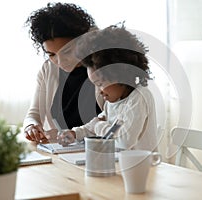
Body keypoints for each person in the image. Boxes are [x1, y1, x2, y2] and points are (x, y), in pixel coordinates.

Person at [57, 25, 158, 151]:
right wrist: (75, 133)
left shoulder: (139, 97)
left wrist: (99, 126)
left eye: (100, 84)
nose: (99, 92)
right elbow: (96, 126)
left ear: (120, 75)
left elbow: (124, 141)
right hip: (119, 165)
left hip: (144, 167)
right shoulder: (112, 102)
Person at [23, 2, 102, 143]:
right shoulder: (48, 69)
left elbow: (116, 121)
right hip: (65, 153)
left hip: (103, 151)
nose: (60, 62)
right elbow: (34, 114)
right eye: (51, 54)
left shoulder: (105, 69)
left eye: (67, 51)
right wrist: (31, 126)